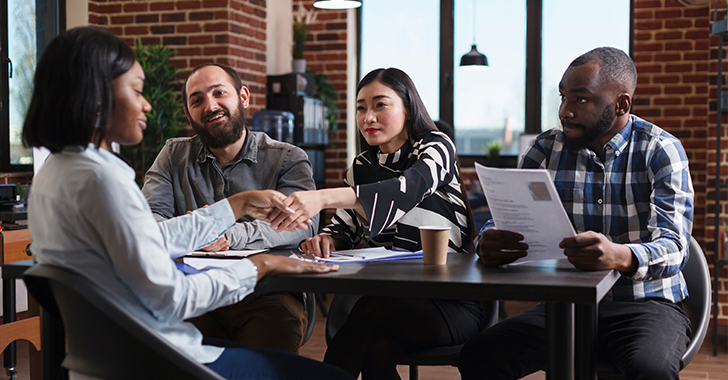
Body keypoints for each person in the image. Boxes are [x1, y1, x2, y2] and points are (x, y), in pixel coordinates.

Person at [22, 26, 352, 380]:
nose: (146, 103)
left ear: (243, 96)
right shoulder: (103, 179)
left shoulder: (53, 174)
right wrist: (260, 267)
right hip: (163, 360)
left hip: (112, 358)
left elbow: (147, 240)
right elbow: (170, 297)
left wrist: (235, 206)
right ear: (97, 95)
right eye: (136, 90)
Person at [458, 47, 693, 380]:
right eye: (562, 97)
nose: (565, 112)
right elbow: (502, 219)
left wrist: (620, 256)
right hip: (563, 306)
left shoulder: (660, 150)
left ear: (621, 104)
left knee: (650, 370)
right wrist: (488, 241)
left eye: (581, 100)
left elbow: (675, 247)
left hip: (645, 304)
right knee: (479, 356)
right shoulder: (543, 149)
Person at [267, 67, 483, 380]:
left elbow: (405, 190)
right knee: (377, 352)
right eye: (361, 107)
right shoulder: (362, 167)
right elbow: (342, 228)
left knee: (371, 315)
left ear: (408, 108)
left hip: (449, 301)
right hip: (389, 297)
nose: (369, 117)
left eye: (380, 105)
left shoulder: (435, 147)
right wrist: (326, 239)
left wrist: (324, 198)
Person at [141, 62, 317, 353]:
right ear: (188, 113)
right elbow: (147, 225)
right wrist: (193, 231)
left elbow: (302, 225)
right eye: (197, 100)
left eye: (219, 93)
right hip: (193, 295)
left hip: (266, 295)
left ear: (243, 97)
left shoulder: (287, 158)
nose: (210, 106)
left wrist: (225, 236)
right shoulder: (172, 155)